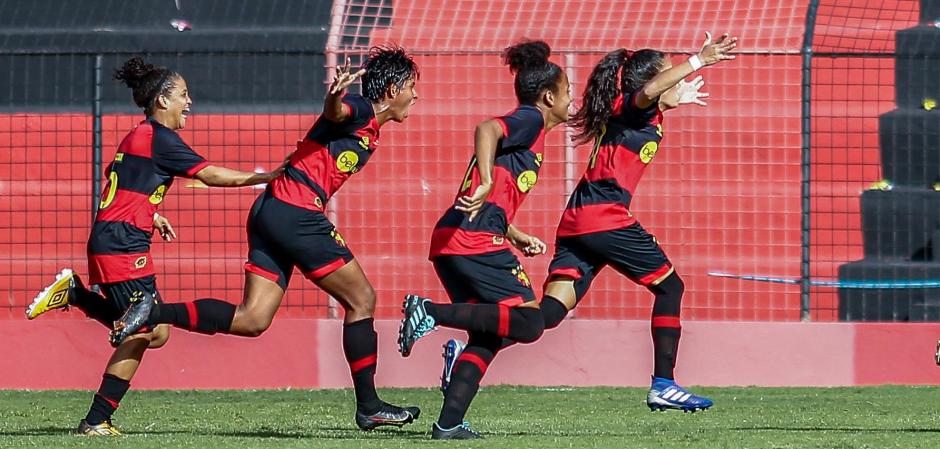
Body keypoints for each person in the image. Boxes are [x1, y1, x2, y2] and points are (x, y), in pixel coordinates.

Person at [105, 46, 422, 431]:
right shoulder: (361, 109)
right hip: (296, 212)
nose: (415, 95)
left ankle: (153, 312)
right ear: (391, 89)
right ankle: (369, 405)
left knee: (253, 320)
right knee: (362, 299)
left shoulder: (369, 125)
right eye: (411, 86)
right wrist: (335, 95)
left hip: (270, 211)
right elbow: (336, 112)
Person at [448, 31, 738, 413]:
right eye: (672, 74)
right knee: (671, 289)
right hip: (606, 219)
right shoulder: (636, 105)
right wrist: (699, 60)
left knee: (546, 316)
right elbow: (650, 92)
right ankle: (664, 384)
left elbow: (651, 98)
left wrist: (675, 97)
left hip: (577, 223)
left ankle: (466, 352)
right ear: (650, 82)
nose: (678, 79)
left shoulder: (634, 111)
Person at [26, 56, 281, 435]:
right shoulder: (162, 140)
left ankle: (77, 296)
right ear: (162, 101)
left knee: (155, 329)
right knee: (145, 330)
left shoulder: (138, 134)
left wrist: (152, 213)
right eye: (182, 95)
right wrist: (267, 177)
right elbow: (210, 175)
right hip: (123, 245)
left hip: (114, 237)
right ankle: (96, 419)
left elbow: (126, 184)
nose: (189, 102)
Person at [397, 40, 571, 440]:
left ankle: (449, 424)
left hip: (458, 237)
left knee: (490, 334)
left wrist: (513, 231)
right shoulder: (529, 119)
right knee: (530, 322)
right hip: (471, 239)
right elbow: (487, 127)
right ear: (548, 97)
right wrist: (489, 179)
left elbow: (495, 193)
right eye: (567, 93)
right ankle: (430, 313)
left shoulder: (533, 131)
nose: (570, 100)